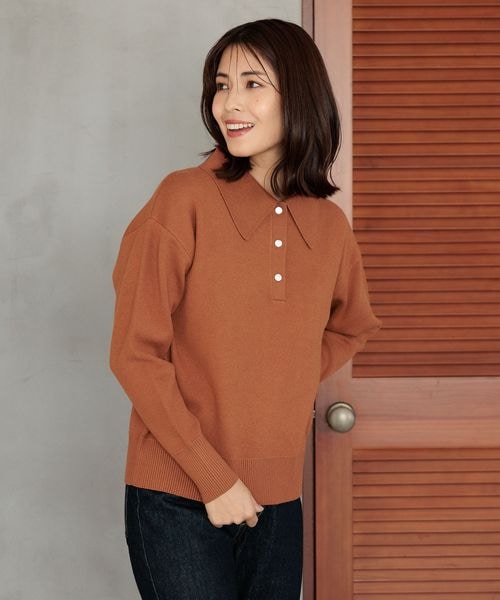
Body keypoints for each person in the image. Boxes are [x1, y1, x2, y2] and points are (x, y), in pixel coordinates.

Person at [109, 17, 382, 600]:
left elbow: (351, 326)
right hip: (176, 495)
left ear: (299, 95)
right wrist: (214, 477)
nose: (228, 103)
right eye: (221, 85)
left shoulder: (328, 225)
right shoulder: (182, 199)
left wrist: (282, 373)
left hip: (279, 499)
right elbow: (135, 354)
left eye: (252, 84)